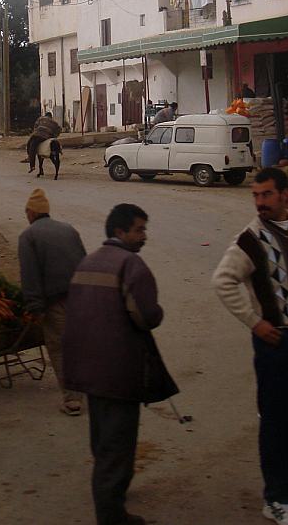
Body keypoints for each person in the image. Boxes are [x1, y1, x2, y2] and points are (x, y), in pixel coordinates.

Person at [213, 168, 288, 525]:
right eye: (255, 195)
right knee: (277, 421)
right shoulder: (250, 239)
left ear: (284, 195)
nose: (260, 202)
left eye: (266, 195)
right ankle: (276, 498)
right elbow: (223, 280)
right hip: (277, 342)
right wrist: (255, 322)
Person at [63, 204, 176, 525]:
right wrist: (158, 312)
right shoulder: (130, 264)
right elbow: (145, 316)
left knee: (102, 441)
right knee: (118, 447)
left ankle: (111, 501)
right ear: (120, 231)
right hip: (119, 373)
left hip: (88, 370)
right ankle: (112, 516)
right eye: (139, 230)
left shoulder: (88, 262)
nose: (144, 236)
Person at [17, 188, 87, 416]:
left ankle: (72, 400)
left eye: (26, 212)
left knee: (59, 348)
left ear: (31, 212)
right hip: (81, 297)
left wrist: (35, 307)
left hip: (56, 302)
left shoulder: (28, 236)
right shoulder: (68, 229)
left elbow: (30, 275)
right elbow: (84, 261)